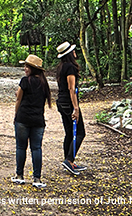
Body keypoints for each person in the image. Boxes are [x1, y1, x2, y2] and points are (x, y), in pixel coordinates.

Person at [12, 54, 52, 188]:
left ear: (33, 69)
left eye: (27, 66)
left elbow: (18, 99)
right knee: (36, 148)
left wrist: (16, 114)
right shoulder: (44, 84)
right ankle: (37, 178)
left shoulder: (25, 81)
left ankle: (19, 175)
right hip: (38, 120)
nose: (25, 69)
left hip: (23, 118)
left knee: (21, 147)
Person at [56, 41, 87, 175]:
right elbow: (71, 88)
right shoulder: (70, 68)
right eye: (73, 51)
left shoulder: (61, 66)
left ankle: (69, 162)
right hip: (68, 103)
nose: (76, 53)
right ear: (69, 54)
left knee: (69, 132)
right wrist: (76, 108)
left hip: (61, 102)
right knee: (80, 132)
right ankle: (69, 159)